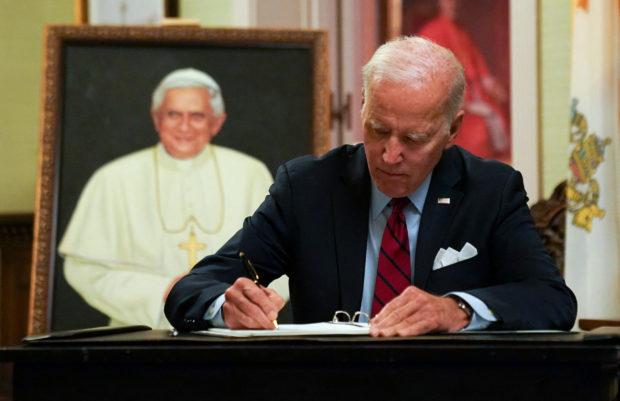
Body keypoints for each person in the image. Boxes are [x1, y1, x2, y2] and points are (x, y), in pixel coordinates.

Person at [165, 37, 576, 337]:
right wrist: (228, 307)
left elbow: (552, 300)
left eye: (414, 139)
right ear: (362, 103)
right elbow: (192, 289)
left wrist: (457, 310)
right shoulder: (307, 188)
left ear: (453, 129)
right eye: (378, 130)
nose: (390, 155)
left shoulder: (490, 191)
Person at [59, 68, 286, 329]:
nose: (184, 126)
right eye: (174, 114)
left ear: (217, 122)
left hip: (234, 334)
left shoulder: (250, 173)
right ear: (156, 119)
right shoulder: (112, 178)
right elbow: (86, 271)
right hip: (139, 335)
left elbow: (284, 257)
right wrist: (166, 293)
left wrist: (248, 302)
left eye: (197, 115)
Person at [417, 0, 510, 160]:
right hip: (451, 99)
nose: (454, 6)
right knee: (476, 128)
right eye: (449, 2)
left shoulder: (461, 32)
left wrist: (493, 87)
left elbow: (481, 72)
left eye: (456, 2)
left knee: (497, 117)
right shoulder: (431, 32)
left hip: (473, 95)